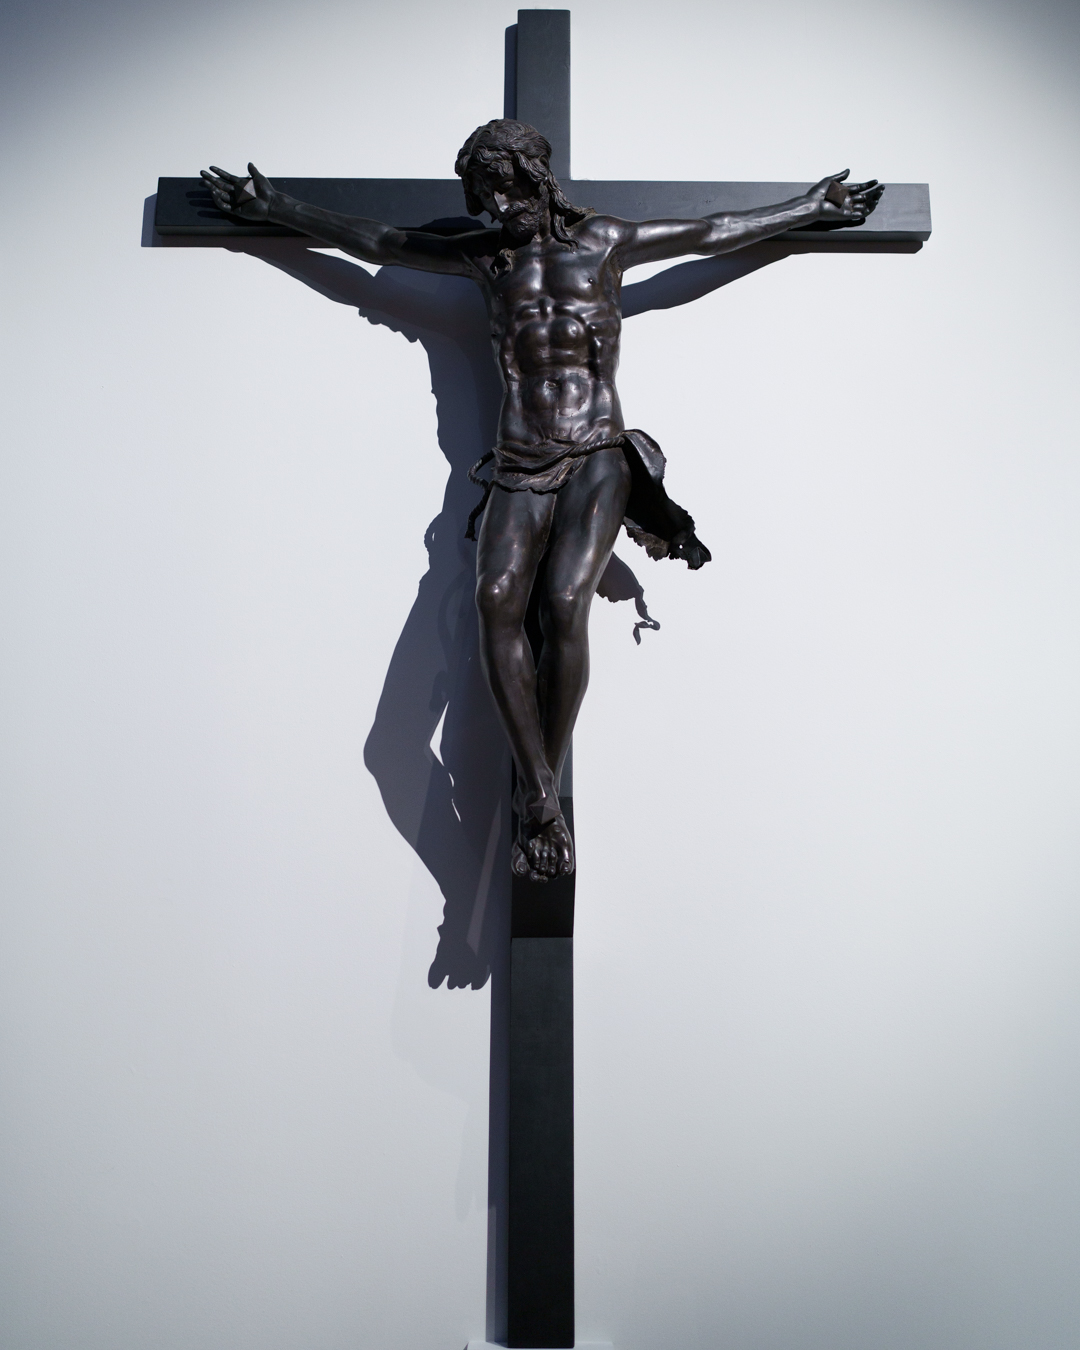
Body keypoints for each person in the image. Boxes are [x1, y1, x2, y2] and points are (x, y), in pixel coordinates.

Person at [202, 121, 882, 881]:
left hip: (597, 450)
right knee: (495, 598)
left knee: (562, 602)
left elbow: (710, 233)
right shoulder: (485, 256)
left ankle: (538, 799)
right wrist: (278, 210)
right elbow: (379, 243)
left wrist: (807, 208)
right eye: (483, 195)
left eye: (504, 187)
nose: (496, 206)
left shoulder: (605, 242)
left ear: (536, 176)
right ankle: (542, 792)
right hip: (520, 456)